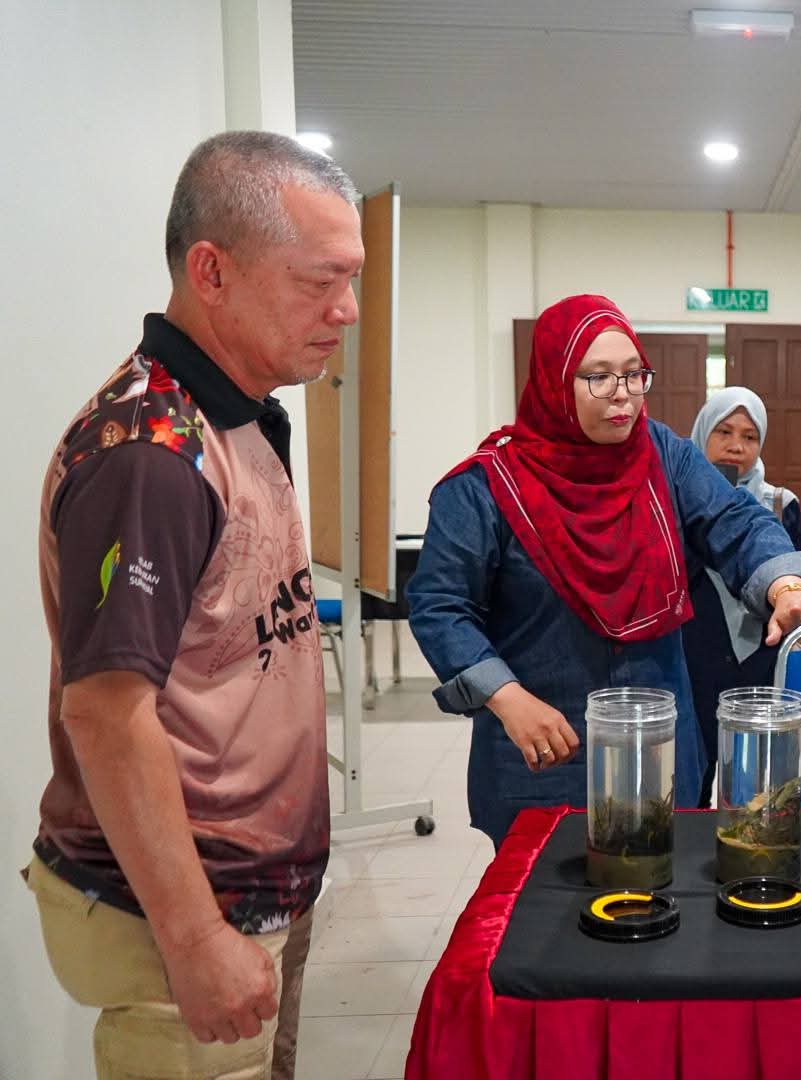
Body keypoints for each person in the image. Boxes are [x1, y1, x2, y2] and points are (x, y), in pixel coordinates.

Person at [25, 131, 362, 1079]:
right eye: (319, 281)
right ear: (211, 271)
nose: (346, 309)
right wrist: (195, 937)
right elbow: (105, 711)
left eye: (351, 279)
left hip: (249, 893)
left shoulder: (238, 412)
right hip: (182, 916)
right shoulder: (154, 454)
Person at [407, 296, 801, 847]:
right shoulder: (487, 487)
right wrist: (505, 696)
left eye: (634, 373)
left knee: (665, 883)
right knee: (548, 892)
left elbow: (734, 520)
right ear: (554, 381)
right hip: (549, 742)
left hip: (658, 737)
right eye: (598, 377)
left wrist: (785, 586)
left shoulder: (663, 457)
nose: (622, 393)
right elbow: (440, 606)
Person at [682, 388, 801, 800]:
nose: (736, 446)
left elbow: (794, 574)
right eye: (724, 432)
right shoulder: (673, 502)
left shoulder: (780, 504)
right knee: (692, 779)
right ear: (702, 432)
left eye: (750, 436)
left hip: (760, 659)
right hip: (693, 658)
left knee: (755, 787)